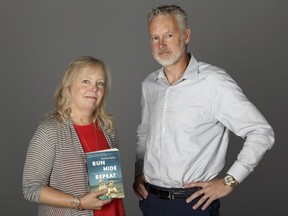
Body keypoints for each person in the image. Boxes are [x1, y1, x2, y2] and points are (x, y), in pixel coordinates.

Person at [133, 4, 275, 216]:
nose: (161, 44)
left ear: (186, 35)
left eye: (169, 35)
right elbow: (144, 135)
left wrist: (229, 181)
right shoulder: (149, 85)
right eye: (155, 38)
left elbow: (261, 132)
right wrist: (138, 174)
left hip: (193, 205)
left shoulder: (213, 82)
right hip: (151, 202)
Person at [23, 56, 125, 216]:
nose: (94, 89)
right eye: (86, 81)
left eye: (100, 83)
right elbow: (31, 188)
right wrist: (79, 202)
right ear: (68, 86)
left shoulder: (108, 128)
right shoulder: (50, 130)